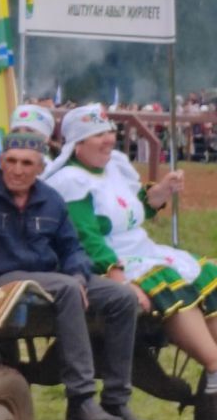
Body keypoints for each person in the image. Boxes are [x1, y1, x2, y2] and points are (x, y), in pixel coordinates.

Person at [0, 130, 155, 420]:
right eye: (11, 161)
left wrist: (78, 274)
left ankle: (116, 400)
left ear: (39, 168)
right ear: (1, 161)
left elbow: (72, 248)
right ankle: (81, 399)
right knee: (65, 289)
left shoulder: (51, 200)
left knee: (121, 297)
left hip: (48, 278)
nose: (18, 170)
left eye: (26, 163)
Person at [44, 103, 217, 393]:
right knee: (169, 283)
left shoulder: (112, 167)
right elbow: (87, 237)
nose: (109, 139)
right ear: (77, 144)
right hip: (110, 259)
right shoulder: (71, 182)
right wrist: (116, 275)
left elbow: (130, 212)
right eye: (98, 134)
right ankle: (213, 365)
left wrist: (160, 192)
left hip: (143, 249)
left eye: (109, 131)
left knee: (208, 272)